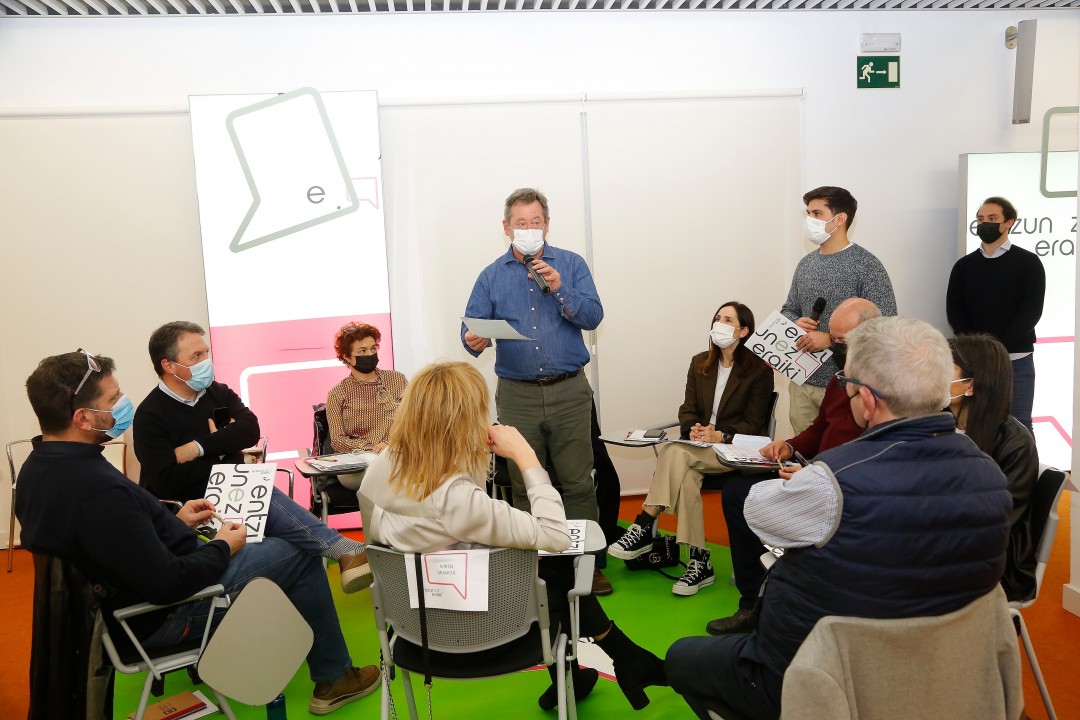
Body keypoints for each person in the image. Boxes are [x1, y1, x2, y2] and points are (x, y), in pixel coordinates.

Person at [665, 317, 1012, 720]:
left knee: (682, 657)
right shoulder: (990, 474)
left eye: (848, 384)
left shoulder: (835, 480)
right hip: (943, 671)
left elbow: (758, 511)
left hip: (825, 672)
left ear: (867, 401)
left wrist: (811, 478)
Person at [15, 351, 381, 716]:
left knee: (274, 522)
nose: (122, 403)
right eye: (113, 399)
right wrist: (222, 546)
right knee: (298, 553)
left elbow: (117, 541)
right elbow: (169, 582)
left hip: (125, 609)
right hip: (161, 617)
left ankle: (335, 580)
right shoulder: (99, 489)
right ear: (83, 418)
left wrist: (175, 521)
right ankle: (335, 676)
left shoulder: (39, 469)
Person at [359, 361, 669, 711]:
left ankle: (597, 669)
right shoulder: (458, 498)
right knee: (555, 570)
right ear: (465, 421)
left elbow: (383, 542)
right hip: (480, 634)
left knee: (547, 572)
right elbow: (556, 535)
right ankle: (622, 659)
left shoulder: (379, 470)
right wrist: (526, 457)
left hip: (413, 626)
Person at [133, 321, 371, 593]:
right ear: (169, 366)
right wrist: (224, 449)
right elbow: (166, 480)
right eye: (196, 356)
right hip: (195, 511)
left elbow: (250, 430)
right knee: (263, 496)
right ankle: (343, 549)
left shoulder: (218, 392)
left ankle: (342, 551)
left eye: (206, 353)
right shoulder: (150, 415)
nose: (206, 361)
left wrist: (199, 448)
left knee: (259, 491)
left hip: (237, 492)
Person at [461, 188, 609, 593]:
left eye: (536, 222)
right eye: (521, 223)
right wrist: (472, 339)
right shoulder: (491, 275)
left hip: (569, 391)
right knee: (524, 482)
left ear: (547, 224)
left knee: (578, 482)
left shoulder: (571, 265)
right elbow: (470, 330)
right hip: (517, 395)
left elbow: (593, 316)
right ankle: (534, 565)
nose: (529, 229)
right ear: (507, 227)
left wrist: (560, 288)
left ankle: (585, 565)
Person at [706, 298, 878, 635]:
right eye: (834, 339)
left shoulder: (881, 389)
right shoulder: (839, 380)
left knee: (747, 496)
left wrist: (817, 475)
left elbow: (868, 455)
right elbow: (820, 428)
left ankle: (779, 597)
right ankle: (753, 602)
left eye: (842, 341)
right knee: (736, 493)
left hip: (841, 487)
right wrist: (789, 445)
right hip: (816, 474)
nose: (835, 347)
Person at [607, 302, 774, 596]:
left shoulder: (758, 370)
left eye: (728, 319)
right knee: (685, 475)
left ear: (743, 330)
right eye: (718, 317)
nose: (720, 323)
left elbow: (755, 423)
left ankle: (644, 523)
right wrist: (693, 429)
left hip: (734, 449)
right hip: (698, 449)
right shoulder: (700, 363)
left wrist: (720, 435)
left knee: (673, 452)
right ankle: (700, 561)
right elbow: (688, 408)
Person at [781, 186, 897, 434]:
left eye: (817, 214)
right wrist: (795, 322)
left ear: (840, 219)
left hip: (847, 385)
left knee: (838, 450)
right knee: (802, 450)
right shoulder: (806, 264)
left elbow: (885, 326)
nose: (809, 221)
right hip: (802, 381)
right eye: (808, 214)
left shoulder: (867, 265)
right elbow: (788, 310)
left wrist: (831, 340)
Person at [948, 333, 1039, 602]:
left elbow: (997, 521)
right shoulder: (940, 424)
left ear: (971, 385)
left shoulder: (1015, 442)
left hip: (996, 566)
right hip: (950, 549)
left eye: (944, 368)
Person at [946, 196, 1045, 432]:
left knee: (1020, 425)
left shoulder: (1028, 263)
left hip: (1016, 361)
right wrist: (977, 350)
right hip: (974, 363)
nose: (985, 224)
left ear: (1009, 222)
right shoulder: (964, 266)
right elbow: (955, 312)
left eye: (992, 218)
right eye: (981, 219)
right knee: (974, 424)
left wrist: (997, 348)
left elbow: (1030, 312)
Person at [324, 322, 407, 491]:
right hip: (358, 462)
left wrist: (390, 444)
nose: (370, 354)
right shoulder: (338, 393)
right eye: (362, 351)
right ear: (347, 357)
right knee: (380, 467)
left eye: (373, 349)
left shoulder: (397, 380)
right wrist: (373, 448)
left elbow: (413, 420)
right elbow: (338, 441)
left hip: (397, 453)